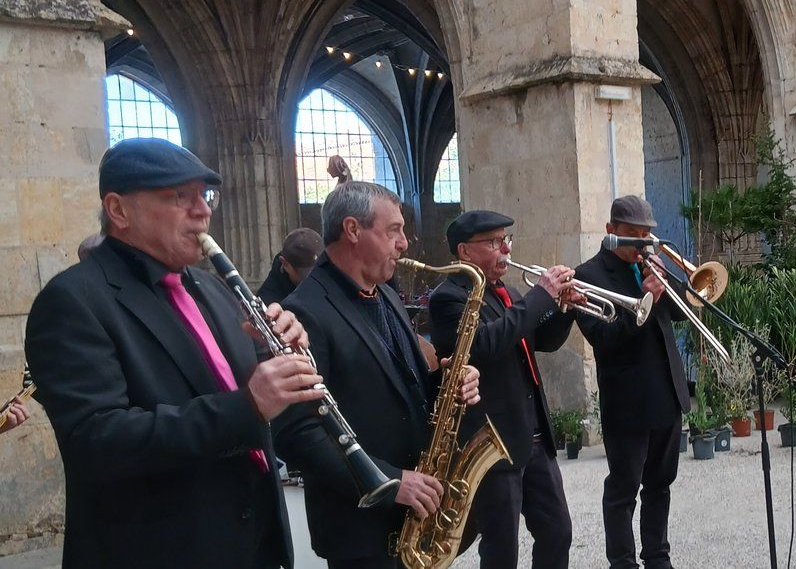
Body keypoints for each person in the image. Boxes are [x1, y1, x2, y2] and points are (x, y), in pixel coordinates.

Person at [25, 137, 324, 568]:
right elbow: (97, 441)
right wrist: (249, 405)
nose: (202, 209)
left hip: (252, 546)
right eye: (177, 196)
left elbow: (240, 393)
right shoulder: (73, 301)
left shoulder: (211, 288)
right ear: (118, 210)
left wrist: (277, 357)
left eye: (205, 196)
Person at [272, 181, 481, 569]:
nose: (404, 243)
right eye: (393, 230)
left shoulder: (382, 292)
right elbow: (296, 433)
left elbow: (400, 384)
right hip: (363, 532)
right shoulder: (303, 312)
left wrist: (448, 383)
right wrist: (388, 482)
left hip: (414, 517)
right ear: (352, 230)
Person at [428, 210, 580, 569]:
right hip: (491, 439)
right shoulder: (448, 297)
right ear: (464, 251)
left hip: (534, 434)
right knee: (501, 549)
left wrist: (565, 310)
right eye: (494, 242)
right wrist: (540, 295)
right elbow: (486, 344)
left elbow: (540, 340)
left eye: (506, 240)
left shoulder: (508, 292)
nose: (505, 250)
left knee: (558, 530)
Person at [573, 195, 689, 569]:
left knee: (660, 485)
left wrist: (670, 284)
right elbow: (604, 339)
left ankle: (658, 557)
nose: (641, 244)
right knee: (623, 491)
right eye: (632, 236)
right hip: (628, 402)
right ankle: (622, 563)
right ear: (611, 231)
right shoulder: (589, 275)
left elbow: (683, 313)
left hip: (666, 393)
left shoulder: (649, 267)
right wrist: (646, 298)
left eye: (645, 236)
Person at [258, 228, 324, 306]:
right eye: (307, 275)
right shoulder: (269, 301)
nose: (315, 279)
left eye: (320, 269)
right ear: (285, 263)